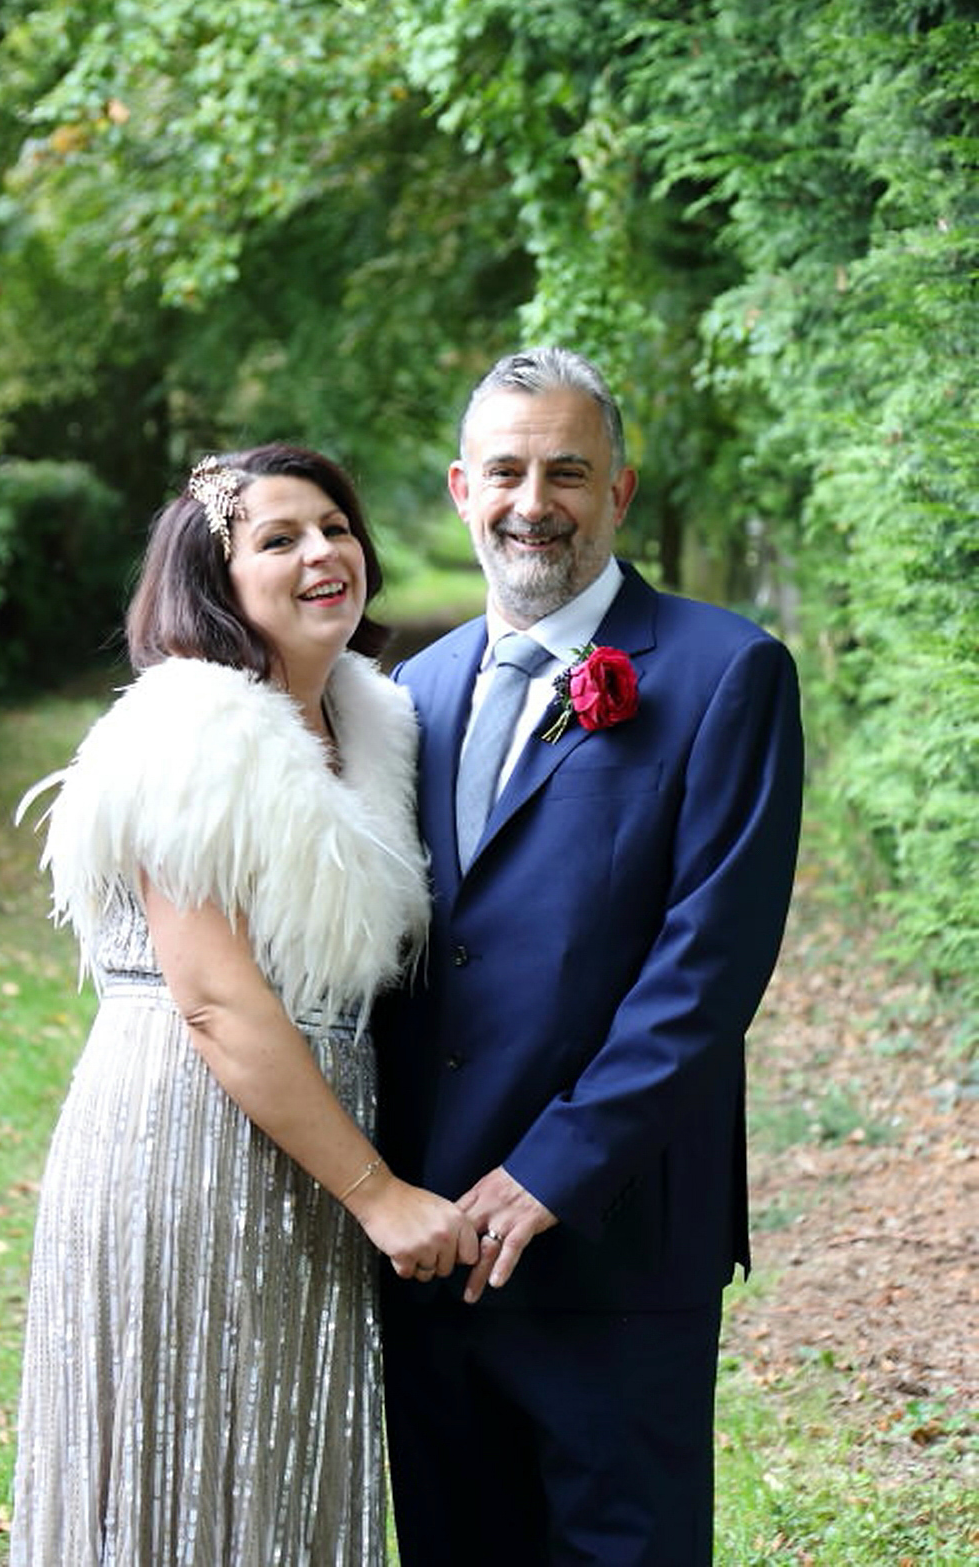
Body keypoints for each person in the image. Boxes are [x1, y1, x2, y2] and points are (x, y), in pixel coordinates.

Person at [9, 442, 478, 1566]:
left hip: (310, 1147)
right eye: (278, 539)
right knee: (187, 1473)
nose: (324, 553)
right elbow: (215, 999)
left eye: (335, 526)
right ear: (213, 583)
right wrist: (378, 1194)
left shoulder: (372, 726)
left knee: (285, 1464)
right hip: (184, 1138)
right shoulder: (192, 729)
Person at [374, 346, 804, 1566]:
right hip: (432, 1236)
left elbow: (709, 966)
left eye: (569, 470)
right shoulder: (413, 689)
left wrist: (556, 1169)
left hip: (614, 1230)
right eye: (506, 470)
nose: (533, 500)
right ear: (463, 488)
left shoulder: (729, 673)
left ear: (617, 495)